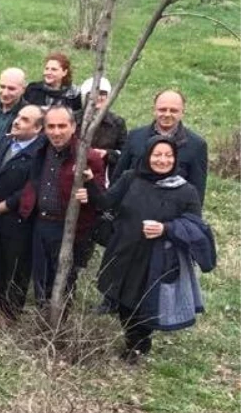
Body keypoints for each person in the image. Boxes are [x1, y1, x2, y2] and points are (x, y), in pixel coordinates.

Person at [85, 136, 206, 362]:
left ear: (175, 159)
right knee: (122, 298)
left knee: (143, 302)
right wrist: (90, 183)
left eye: (168, 155)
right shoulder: (131, 178)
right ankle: (133, 337)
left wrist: (166, 228)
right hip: (124, 249)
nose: (162, 160)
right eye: (157, 154)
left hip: (157, 257)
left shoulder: (185, 191)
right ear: (148, 155)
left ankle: (138, 345)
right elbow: (106, 203)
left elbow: (195, 226)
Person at [18, 105, 106, 304]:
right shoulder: (40, 151)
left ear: (73, 127)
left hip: (68, 228)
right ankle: (43, 314)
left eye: (62, 126)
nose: (56, 132)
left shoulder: (88, 157)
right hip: (40, 223)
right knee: (41, 275)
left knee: (63, 279)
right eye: (51, 126)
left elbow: (102, 198)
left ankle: (59, 323)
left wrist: (89, 191)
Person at [0, 105, 46, 318]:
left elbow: (34, 185)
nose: (17, 121)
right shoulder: (7, 140)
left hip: (18, 217)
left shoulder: (40, 152)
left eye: (25, 119)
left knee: (17, 265)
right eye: (18, 116)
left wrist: (7, 205)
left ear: (38, 128)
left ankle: (12, 310)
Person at [114, 89, 208, 202]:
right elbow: (118, 177)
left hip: (172, 214)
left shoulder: (196, 145)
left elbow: (197, 193)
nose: (167, 114)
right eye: (162, 109)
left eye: (173, 110)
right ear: (154, 110)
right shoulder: (135, 137)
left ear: (182, 112)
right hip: (131, 210)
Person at [77, 77, 128, 171]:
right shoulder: (74, 120)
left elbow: (125, 152)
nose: (98, 97)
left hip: (105, 171)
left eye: (103, 94)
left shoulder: (117, 122)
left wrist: (106, 154)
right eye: (93, 93)